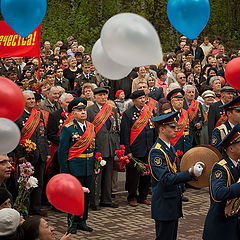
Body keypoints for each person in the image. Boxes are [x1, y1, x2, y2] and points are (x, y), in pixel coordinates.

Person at [149, 112, 203, 240]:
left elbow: (176, 173)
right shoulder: (157, 151)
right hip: (164, 203)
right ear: (162, 129)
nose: (176, 129)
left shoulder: (169, 147)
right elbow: (166, 178)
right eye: (172, 127)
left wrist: (191, 174)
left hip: (172, 201)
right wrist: (189, 173)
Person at [58, 98, 97, 233]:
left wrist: (96, 163)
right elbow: (62, 152)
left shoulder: (91, 127)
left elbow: (94, 148)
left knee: (86, 197)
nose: (82, 112)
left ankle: (82, 221)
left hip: (88, 167)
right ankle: (72, 223)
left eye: (84, 110)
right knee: (74, 197)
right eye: (79, 110)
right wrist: (65, 172)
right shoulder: (68, 129)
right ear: (73, 113)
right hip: (74, 168)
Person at [14, 90, 50, 216]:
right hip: (26, 156)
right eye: (29, 99)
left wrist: (47, 151)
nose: (32, 101)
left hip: (40, 154)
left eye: (33, 99)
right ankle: (24, 208)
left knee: (39, 183)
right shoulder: (18, 116)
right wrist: (20, 156)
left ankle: (36, 207)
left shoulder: (39, 115)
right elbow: (15, 138)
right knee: (25, 183)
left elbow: (43, 135)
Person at [203, 124, 240, 240]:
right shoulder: (220, 168)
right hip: (220, 226)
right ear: (231, 148)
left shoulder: (237, 164)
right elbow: (218, 193)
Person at [120, 90, 156, 206]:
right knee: (133, 176)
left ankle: (143, 196)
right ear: (134, 101)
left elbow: (154, 130)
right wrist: (128, 151)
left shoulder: (150, 112)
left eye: (143, 98)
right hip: (135, 150)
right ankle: (132, 197)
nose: (142, 100)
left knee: (146, 174)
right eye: (140, 98)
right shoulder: (128, 114)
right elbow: (125, 134)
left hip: (148, 148)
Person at [87, 87, 120, 210]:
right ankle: (94, 201)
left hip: (110, 146)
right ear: (94, 97)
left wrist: (117, 146)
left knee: (108, 176)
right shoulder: (89, 110)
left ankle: (106, 199)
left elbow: (116, 129)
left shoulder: (112, 110)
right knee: (97, 176)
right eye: (100, 95)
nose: (103, 97)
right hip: (97, 147)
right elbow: (88, 131)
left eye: (105, 95)